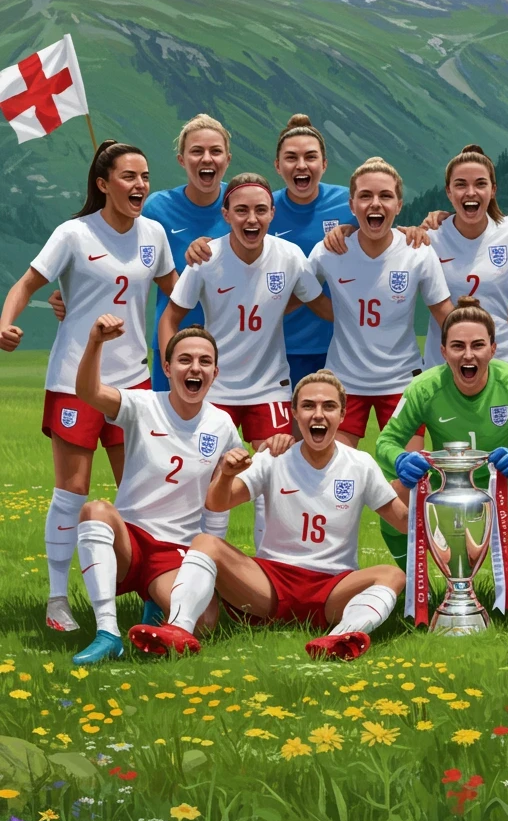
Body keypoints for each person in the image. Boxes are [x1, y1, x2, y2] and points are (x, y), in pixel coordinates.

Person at [0, 140, 175, 634]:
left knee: (140, 492)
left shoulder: (154, 234)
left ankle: (153, 592)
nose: (140, 185)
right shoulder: (73, 233)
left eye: (145, 176)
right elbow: (27, 284)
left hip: (134, 384)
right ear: (103, 184)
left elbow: (177, 293)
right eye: (129, 176)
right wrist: (5, 322)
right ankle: (58, 600)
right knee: (72, 492)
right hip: (74, 381)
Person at [128, 372, 408, 662]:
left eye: (329, 406)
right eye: (308, 406)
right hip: (270, 584)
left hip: (334, 586)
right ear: (294, 413)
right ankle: (178, 628)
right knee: (205, 543)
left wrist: (414, 486)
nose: (318, 414)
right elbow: (217, 502)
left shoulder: (360, 464)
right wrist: (226, 474)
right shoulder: (274, 456)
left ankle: (341, 637)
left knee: (392, 575)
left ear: (342, 414)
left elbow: (401, 522)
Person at [159, 173, 331, 549]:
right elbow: (170, 317)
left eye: (260, 210)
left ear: (272, 214)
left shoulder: (289, 257)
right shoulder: (206, 258)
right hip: (214, 389)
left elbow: (321, 304)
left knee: (272, 477)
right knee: (205, 480)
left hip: (269, 388)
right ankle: (200, 567)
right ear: (226, 214)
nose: (251, 219)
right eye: (241, 211)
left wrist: (372, 319)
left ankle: (266, 571)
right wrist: (174, 368)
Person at [69, 317, 242, 664]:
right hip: (129, 541)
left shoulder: (221, 424)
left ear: (215, 372)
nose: (195, 368)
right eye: (185, 359)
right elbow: (88, 392)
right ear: (167, 368)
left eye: (205, 361)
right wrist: (96, 342)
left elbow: (222, 497)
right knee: (95, 511)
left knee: (205, 624)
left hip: (175, 551)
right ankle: (108, 633)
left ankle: (155, 599)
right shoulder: (142, 405)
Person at [375, 297, 508, 568]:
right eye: (457, 346)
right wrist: (400, 460)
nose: (468, 355)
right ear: (443, 351)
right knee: (395, 497)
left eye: (477, 345)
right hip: (446, 487)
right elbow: (386, 441)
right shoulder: (423, 388)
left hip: (506, 483)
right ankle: (412, 584)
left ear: (493, 349)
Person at [308, 157, 453, 447]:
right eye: (365, 196)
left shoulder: (417, 250)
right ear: (352, 206)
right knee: (337, 471)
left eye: (385, 196)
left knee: (408, 469)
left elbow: (444, 313)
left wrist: (476, 333)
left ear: (399, 205)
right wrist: (339, 313)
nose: (375, 204)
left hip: (402, 380)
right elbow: (299, 293)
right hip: (344, 380)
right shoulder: (329, 251)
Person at [142, 114, 231, 392]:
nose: (207, 158)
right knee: (167, 419)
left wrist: (345, 230)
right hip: (173, 342)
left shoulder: (242, 203)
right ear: (182, 160)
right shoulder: (157, 208)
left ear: (228, 159)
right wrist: (72, 291)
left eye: (215, 151)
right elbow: (124, 260)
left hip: (232, 345)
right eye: (196, 151)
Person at [420, 145, 508, 368]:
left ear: (493, 189)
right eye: (461, 184)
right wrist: (349, 231)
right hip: (445, 363)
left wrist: (500, 306)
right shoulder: (430, 239)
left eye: (480, 184)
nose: (471, 192)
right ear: (449, 192)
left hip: (501, 360)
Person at [271, 115, 356, 387]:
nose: (301, 165)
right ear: (277, 166)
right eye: (291, 158)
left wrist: (424, 226)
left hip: (341, 346)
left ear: (324, 164)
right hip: (280, 347)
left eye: (310, 157)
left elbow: (387, 235)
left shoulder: (351, 204)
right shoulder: (262, 209)